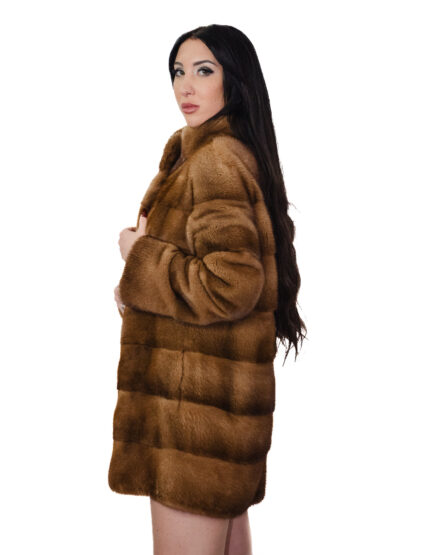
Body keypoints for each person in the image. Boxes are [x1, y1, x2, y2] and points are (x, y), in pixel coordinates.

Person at [109, 24, 306, 555]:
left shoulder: (214, 160)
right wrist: (136, 285)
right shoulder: (209, 153)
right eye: (178, 72)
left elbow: (230, 284)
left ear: (234, 80)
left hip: (193, 428)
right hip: (216, 418)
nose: (185, 87)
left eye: (203, 70)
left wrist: (138, 257)